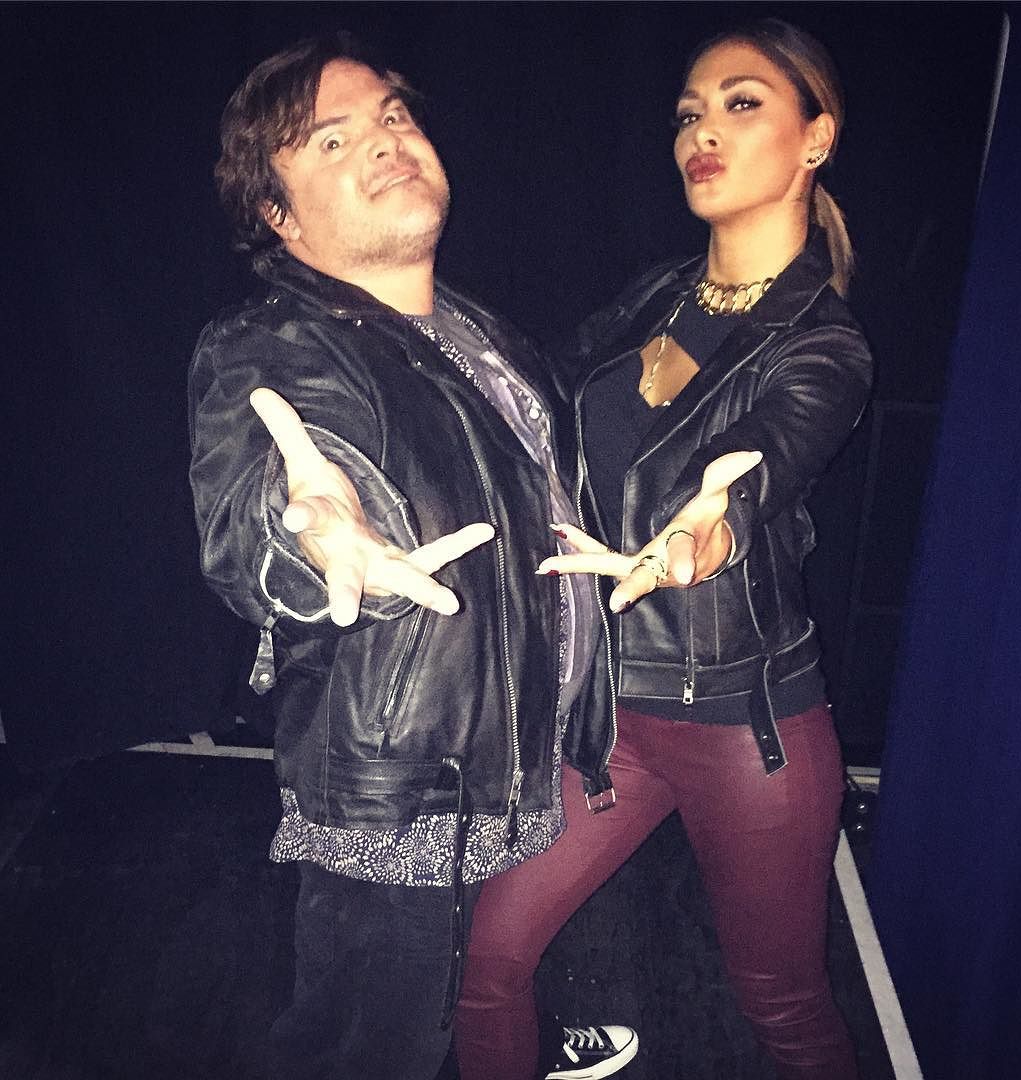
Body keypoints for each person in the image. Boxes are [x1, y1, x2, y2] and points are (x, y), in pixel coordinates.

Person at [187, 32, 638, 1080]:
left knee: (472, 981)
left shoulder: (483, 336)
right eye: (331, 138)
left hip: (511, 757)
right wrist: (313, 530)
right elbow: (260, 511)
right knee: (364, 1048)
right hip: (405, 790)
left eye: (392, 115)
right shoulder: (272, 344)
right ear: (278, 212)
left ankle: (519, 1038)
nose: (385, 141)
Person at [455, 18, 873, 1080]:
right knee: (487, 961)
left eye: (742, 103)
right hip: (614, 713)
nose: (703, 131)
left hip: (747, 729)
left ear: (817, 138)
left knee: (783, 1007)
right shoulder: (658, 296)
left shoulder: (822, 343)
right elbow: (529, 399)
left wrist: (703, 532)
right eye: (690, 113)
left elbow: (768, 458)